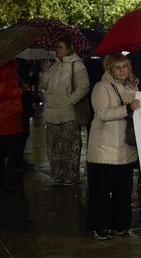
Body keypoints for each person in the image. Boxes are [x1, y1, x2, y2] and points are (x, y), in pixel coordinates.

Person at [86, 55, 140, 240]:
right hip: (105, 147)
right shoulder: (101, 87)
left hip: (125, 146)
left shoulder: (133, 87)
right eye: (118, 67)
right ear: (109, 69)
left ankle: (121, 225)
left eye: (125, 66)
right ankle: (100, 226)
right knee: (101, 190)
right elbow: (102, 113)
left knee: (123, 189)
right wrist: (128, 108)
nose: (123, 70)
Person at [39, 37, 90, 186]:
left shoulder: (77, 65)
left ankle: (70, 176)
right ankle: (57, 175)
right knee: (53, 146)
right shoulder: (54, 66)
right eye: (56, 47)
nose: (57, 49)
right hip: (52, 113)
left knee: (70, 146)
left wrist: (70, 101)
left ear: (68, 48)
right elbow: (44, 86)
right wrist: (44, 72)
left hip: (69, 113)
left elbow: (84, 86)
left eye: (60, 47)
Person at [0, 60, 25, 191]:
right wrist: (20, 90)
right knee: (2, 150)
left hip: (10, 115)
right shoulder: (3, 71)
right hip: (4, 116)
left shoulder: (10, 69)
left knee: (4, 150)